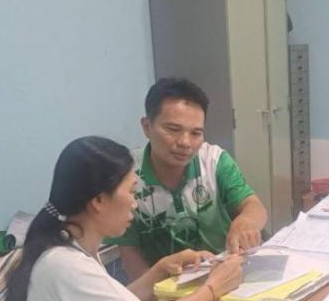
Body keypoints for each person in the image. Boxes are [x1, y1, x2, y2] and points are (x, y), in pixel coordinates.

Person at [5, 136, 244, 301]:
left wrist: (159, 270)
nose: (135, 203)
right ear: (98, 200)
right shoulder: (64, 265)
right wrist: (214, 286)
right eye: (131, 192)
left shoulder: (71, 245)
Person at [110, 78, 268, 280]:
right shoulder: (126, 175)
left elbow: (254, 206)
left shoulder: (214, 161)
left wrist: (246, 221)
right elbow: (129, 250)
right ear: (147, 127)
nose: (185, 142)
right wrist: (154, 293)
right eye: (173, 130)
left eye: (196, 133)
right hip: (167, 285)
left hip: (225, 274)